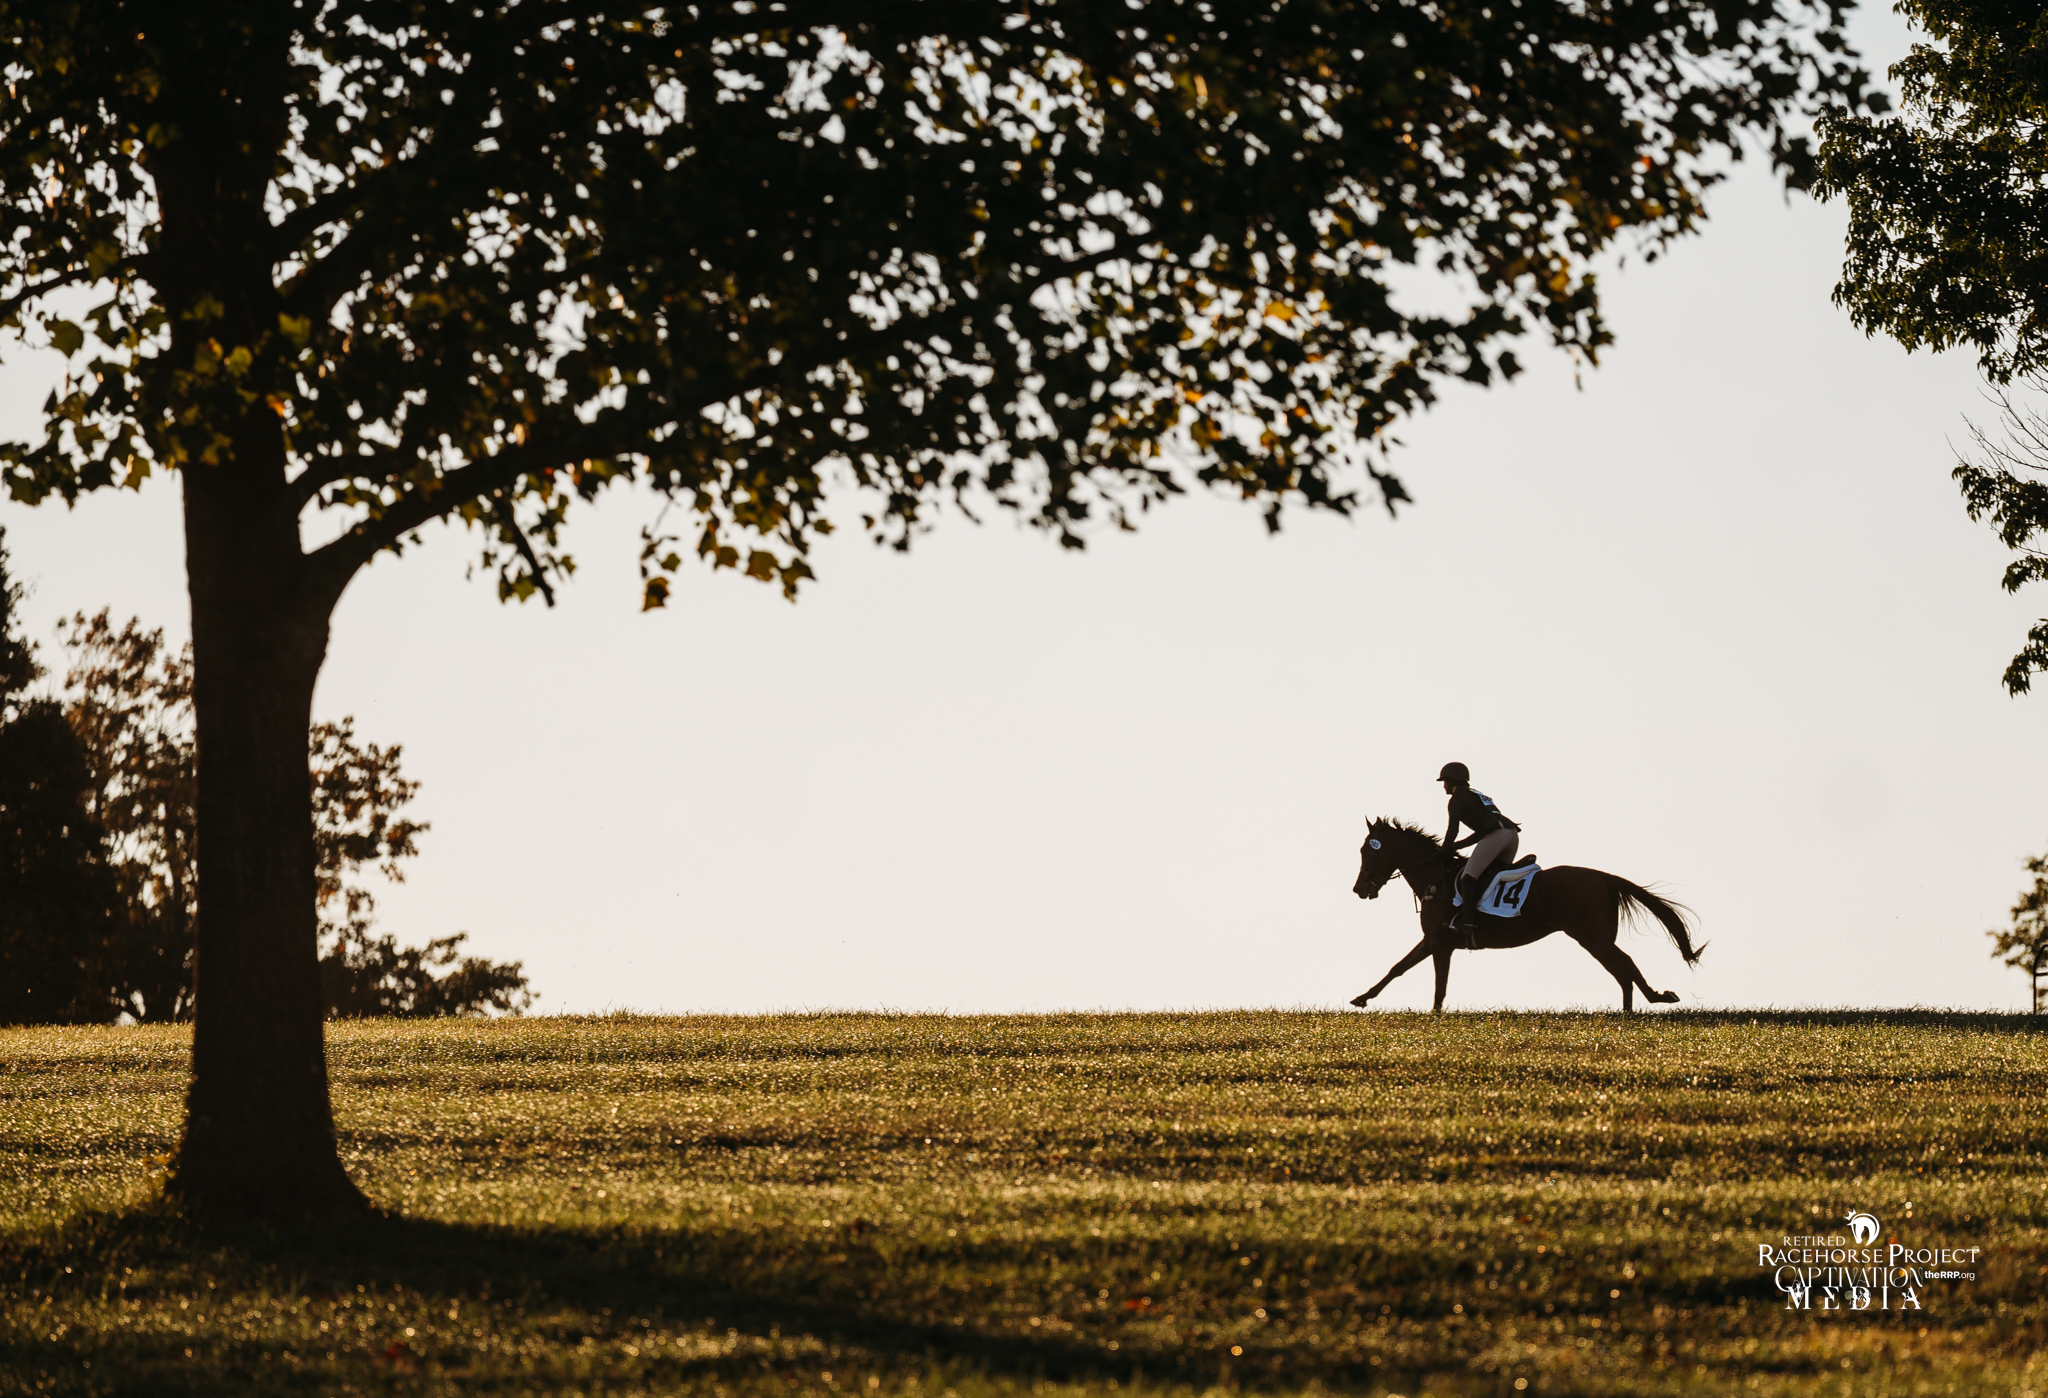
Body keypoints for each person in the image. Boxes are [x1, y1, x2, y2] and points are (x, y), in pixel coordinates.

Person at [1438, 762, 1520, 931]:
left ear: (1451, 781)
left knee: (1468, 876)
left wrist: (1444, 849)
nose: (1444, 786)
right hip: (1511, 834)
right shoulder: (1476, 795)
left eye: (1445, 781)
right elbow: (1483, 830)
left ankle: (1467, 921)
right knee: (1491, 875)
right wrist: (1456, 846)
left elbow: (1453, 829)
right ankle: (1493, 913)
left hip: (1497, 834)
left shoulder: (1457, 798)